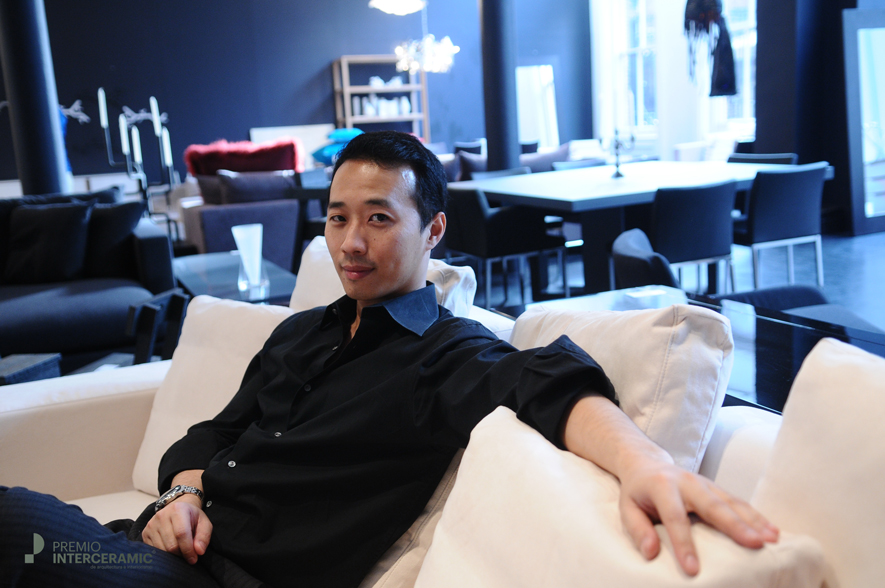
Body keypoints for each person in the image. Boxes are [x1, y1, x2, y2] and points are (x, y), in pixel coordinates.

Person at [0, 131, 777, 588]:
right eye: (338, 218)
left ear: (432, 230)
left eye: (378, 219)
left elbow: (542, 378)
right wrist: (180, 495)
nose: (350, 242)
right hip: (154, 546)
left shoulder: (443, 356)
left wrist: (642, 461)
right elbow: (212, 435)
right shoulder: (300, 333)